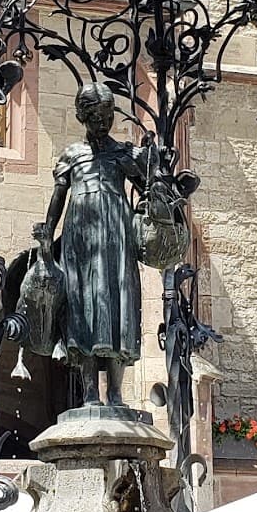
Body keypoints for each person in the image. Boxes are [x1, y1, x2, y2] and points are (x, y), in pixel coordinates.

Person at [41, 82, 148, 408]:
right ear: (81, 116)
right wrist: (47, 234)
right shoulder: (72, 155)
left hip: (116, 240)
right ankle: (89, 394)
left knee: (118, 307)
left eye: (107, 117)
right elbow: (59, 197)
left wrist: (152, 169)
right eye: (95, 117)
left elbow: (151, 191)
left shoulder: (124, 154)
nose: (102, 124)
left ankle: (115, 394)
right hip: (81, 242)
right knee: (82, 309)